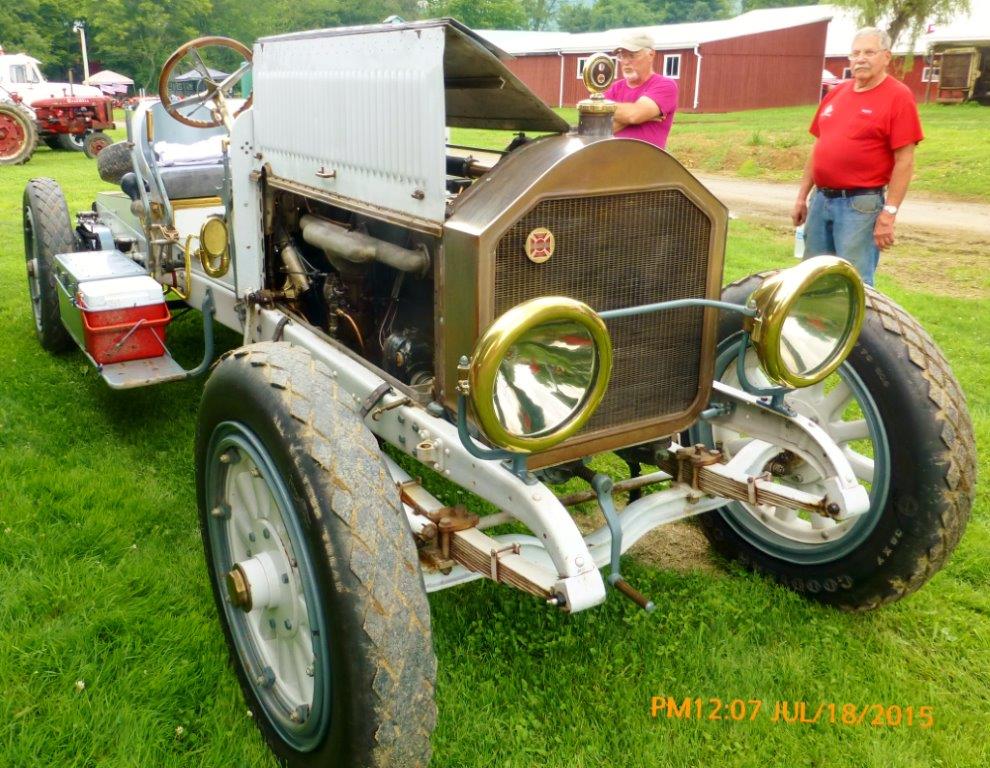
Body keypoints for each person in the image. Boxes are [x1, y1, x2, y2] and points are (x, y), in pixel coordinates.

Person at [792, 27, 923, 286]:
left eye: (869, 52)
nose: (861, 59)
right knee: (812, 278)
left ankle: (861, 327)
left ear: (886, 56)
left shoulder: (898, 96)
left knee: (855, 283)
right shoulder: (837, 94)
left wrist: (889, 213)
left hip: (859, 205)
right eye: (855, 53)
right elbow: (818, 147)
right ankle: (816, 325)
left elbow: (905, 162)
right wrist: (801, 197)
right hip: (821, 201)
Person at [604, 33, 678, 149]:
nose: (626, 62)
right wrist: (641, 116)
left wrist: (634, 115)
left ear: (651, 55)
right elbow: (596, 130)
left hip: (647, 163)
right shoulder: (614, 88)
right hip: (612, 161)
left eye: (632, 55)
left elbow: (633, 115)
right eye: (622, 56)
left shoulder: (665, 85)